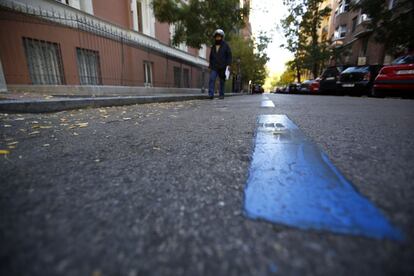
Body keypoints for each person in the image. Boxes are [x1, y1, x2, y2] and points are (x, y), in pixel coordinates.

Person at [208, 29, 232, 99]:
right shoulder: (213, 46)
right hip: (214, 66)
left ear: (222, 37)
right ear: (215, 37)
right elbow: (211, 56)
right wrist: (210, 65)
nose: (218, 38)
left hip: (223, 66)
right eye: (216, 37)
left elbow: (229, 55)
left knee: (222, 81)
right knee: (212, 79)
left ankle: (221, 95)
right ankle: (211, 94)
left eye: (219, 37)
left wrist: (228, 64)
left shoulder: (226, 46)